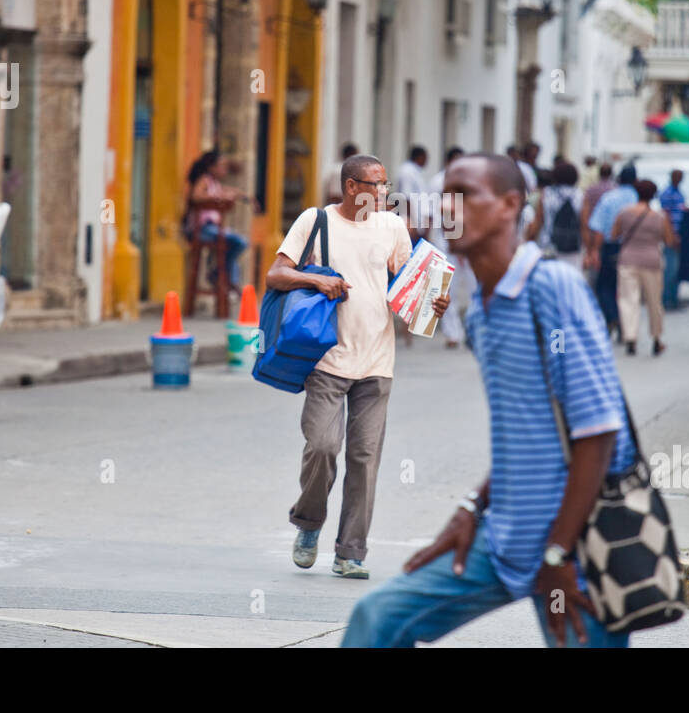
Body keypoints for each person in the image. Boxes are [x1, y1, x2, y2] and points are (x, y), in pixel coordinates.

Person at [342, 153, 637, 648]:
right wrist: (471, 507)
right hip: (503, 539)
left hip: (576, 550)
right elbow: (526, 433)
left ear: (510, 205)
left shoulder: (552, 287)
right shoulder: (480, 310)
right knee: (377, 619)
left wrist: (559, 554)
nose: (449, 209)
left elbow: (599, 431)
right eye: (444, 196)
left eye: (465, 195)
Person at [267, 154, 446, 580]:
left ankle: (351, 552)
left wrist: (434, 304)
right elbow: (276, 274)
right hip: (328, 358)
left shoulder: (392, 227)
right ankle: (308, 524)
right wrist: (317, 280)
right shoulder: (316, 222)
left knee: (364, 459)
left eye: (386, 185)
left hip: (377, 362)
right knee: (323, 447)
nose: (385, 193)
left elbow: (408, 293)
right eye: (377, 185)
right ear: (352, 187)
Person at [612, 179, 678, 356]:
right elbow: (669, 240)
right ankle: (656, 338)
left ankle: (630, 337)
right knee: (654, 301)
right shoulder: (660, 216)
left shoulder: (624, 212)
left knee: (628, 301)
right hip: (652, 261)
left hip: (627, 259)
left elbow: (614, 234)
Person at [584, 165, 639, 337]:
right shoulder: (638, 199)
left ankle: (613, 316)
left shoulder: (609, 198)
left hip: (611, 247)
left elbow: (598, 228)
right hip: (633, 248)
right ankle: (626, 324)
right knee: (627, 289)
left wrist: (594, 251)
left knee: (604, 287)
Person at [183, 150, 249, 291]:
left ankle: (221, 273)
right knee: (238, 242)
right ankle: (223, 275)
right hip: (201, 230)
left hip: (211, 230)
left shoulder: (214, 183)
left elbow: (228, 191)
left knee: (237, 242)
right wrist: (217, 197)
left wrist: (241, 195)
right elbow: (196, 195)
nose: (224, 170)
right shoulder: (204, 180)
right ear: (211, 167)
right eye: (221, 166)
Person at [430, 146, 471, 349]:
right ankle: (452, 333)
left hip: (467, 244)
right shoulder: (439, 182)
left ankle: (469, 330)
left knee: (473, 289)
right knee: (448, 289)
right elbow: (440, 215)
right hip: (446, 244)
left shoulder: (470, 182)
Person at [527, 161, 583, 266]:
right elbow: (584, 223)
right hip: (573, 247)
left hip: (548, 245)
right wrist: (590, 249)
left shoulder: (547, 193)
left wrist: (529, 240)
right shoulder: (579, 195)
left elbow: (538, 220)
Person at [658, 169, 686, 311]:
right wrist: (671, 235)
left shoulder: (679, 193)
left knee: (676, 269)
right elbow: (666, 215)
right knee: (670, 269)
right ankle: (666, 299)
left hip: (679, 234)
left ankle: (673, 298)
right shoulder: (667, 193)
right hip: (672, 235)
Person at [398, 145, 430, 244]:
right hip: (412, 224)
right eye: (425, 158)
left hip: (418, 223)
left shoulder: (415, 171)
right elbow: (406, 198)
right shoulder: (407, 171)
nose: (426, 161)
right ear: (419, 157)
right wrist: (411, 224)